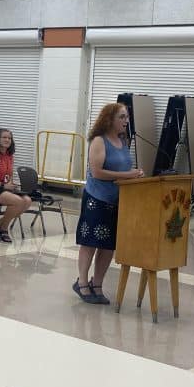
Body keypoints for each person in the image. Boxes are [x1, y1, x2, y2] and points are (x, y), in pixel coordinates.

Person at [75, 103, 143, 305]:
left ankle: (97, 284)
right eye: (122, 117)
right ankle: (82, 282)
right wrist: (127, 175)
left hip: (117, 201)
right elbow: (97, 172)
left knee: (107, 246)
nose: (126, 121)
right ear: (109, 119)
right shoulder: (99, 141)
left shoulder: (123, 141)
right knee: (91, 243)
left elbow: (123, 169)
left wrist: (136, 175)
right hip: (97, 199)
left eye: (127, 117)